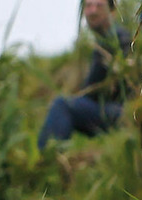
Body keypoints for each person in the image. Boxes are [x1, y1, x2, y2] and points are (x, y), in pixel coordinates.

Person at [38, 0, 134, 150]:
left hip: (122, 112)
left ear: (113, 12)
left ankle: (49, 156)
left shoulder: (117, 39)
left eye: (99, 6)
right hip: (115, 109)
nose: (93, 11)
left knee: (62, 105)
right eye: (88, 6)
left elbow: (93, 90)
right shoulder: (104, 40)